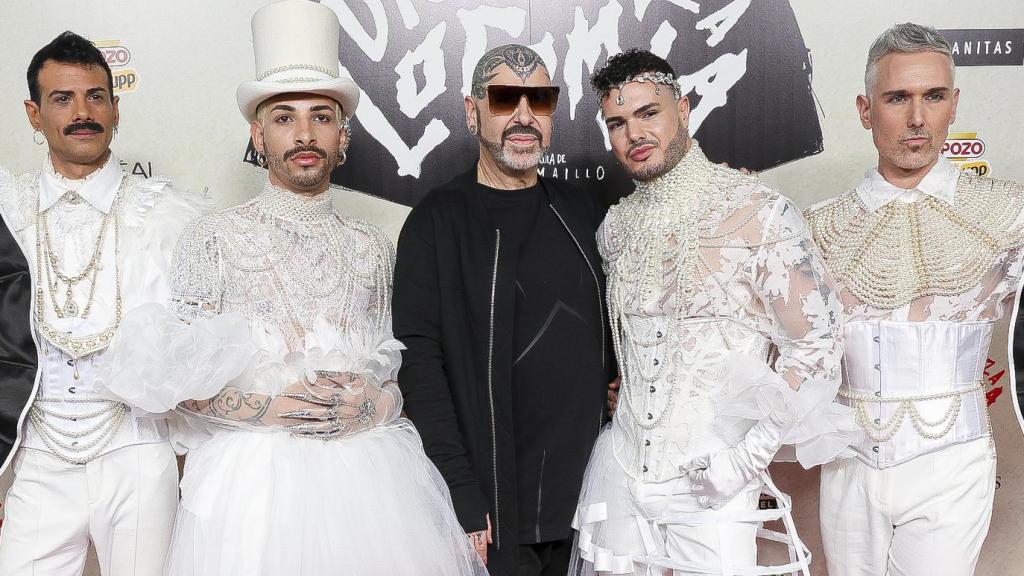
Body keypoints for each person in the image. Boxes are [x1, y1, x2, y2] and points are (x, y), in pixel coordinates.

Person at [96, 1, 486, 574]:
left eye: (321, 116)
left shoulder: (373, 246)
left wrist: (376, 405)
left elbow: (397, 371)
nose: (304, 134)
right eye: (283, 117)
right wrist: (268, 410)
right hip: (252, 490)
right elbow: (175, 386)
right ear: (257, 133)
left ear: (343, 134)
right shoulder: (214, 238)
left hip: (373, 486)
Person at [569, 49, 859, 575]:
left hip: (713, 486)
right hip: (623, 477)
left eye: (648, 113)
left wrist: (744, 460)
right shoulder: (614, 228)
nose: (634, 133)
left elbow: (818, 342)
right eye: (617, 122)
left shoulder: (756, 210)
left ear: (683, 110)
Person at [806, 23, 1024, 576]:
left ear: (955, 104)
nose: (918, 118)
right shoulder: (816, 227)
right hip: (848, 464)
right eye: (898, 97)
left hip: (954, 465)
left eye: (934, 96)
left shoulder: (1008, 214)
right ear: (864, 109)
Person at [392, 44, 615, 575]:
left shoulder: (584, 209)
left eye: (537, 100)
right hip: (495, 512)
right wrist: (462, 495)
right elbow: (420, 367)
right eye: (503, 100)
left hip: (592, 504)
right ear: (472, 111)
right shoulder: (435, 223)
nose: (523, 116)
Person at [0, 31, 204, 575]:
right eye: (62, 99)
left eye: (96, 97)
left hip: (136, 448)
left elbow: (199, 336)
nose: (82, 113)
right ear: (33, 113)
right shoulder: (6, 212)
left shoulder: (172, 216)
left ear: (116, 109)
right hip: (38, 453)